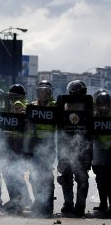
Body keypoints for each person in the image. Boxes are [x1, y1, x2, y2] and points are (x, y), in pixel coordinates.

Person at [57, 80, 93, 217]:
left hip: (83, 147)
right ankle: (68, 204)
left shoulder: (90, 105)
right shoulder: (61, 103)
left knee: (82, 178)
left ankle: (80, 206)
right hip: (65, 146)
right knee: (66, 177)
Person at [25, 80, 56, 217]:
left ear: (50, 93)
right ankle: (38, 202)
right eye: (41, 91)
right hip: (34, 145)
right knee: (33, 176)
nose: (43, 94)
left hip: (48, 146)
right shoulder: (31, 107)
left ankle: (48, 206)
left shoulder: (56, 107)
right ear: (37, 92)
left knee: (47, 177)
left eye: (46, 91)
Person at [1, 84, 30, 214]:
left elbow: (18, 117)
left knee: (11, 173)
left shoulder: (18, 104)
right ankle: (21, 200)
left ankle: (17, 202)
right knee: (15, 173)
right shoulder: (26, 103)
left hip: (15, 142)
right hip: (18, 141)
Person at [92, 90, 111, 215]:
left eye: (106, 105)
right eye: (101, 105)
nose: (103, 107)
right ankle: (103, 204)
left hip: (110, 153)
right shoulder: (93, 117)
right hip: (98, 153)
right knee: (100, 180)